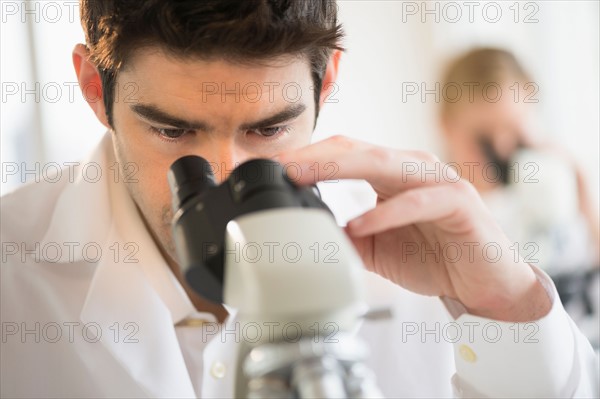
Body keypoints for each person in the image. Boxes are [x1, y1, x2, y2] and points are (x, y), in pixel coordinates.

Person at [1, 1, 598, 397]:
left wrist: (506, 305)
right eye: (173, 132)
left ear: (328, 80)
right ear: (92, 88)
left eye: (267, 130)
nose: (225, 175)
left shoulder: (409, 236)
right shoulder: (12, 269)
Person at [439, 48, 600, 347]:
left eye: (514, 130)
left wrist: (581, 187)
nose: (501, 149)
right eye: (484, 136)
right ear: (446, 126)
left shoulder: (558, 187)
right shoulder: (438, 215)